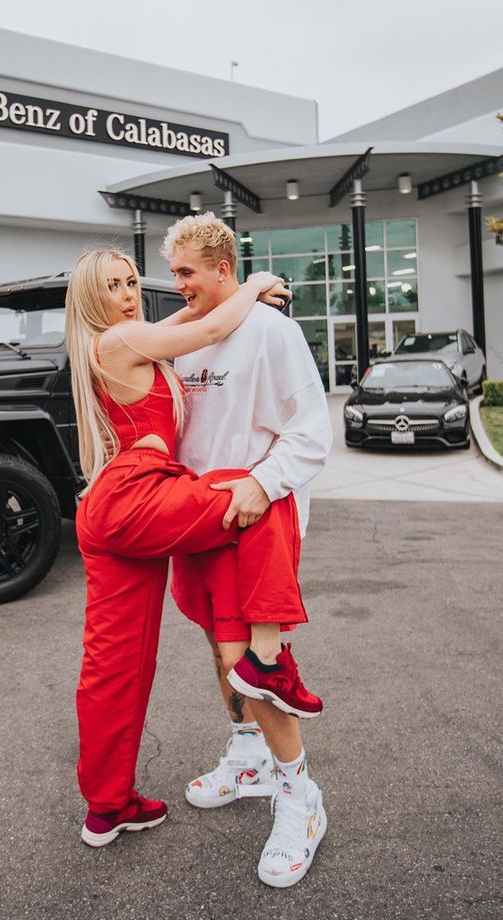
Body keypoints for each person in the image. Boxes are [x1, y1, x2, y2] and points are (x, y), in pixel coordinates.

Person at [65, 248, 321, 851]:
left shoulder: (122, 340)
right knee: (257, 488)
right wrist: (255, 283)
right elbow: (206, 327)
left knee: (115, 662)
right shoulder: (121, 338)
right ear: (90, 297)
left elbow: (186, 324)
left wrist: (229, 296)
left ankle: (108, 807)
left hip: (113, 508)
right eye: (113, 285)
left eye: (133, 281)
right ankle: (270, 659)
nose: (130, 293)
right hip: (135, 495)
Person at [162, 213, 332, 888]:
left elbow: (313, 428)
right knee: (216, 647)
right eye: (174, 273)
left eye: (186, 273)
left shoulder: (272, 330)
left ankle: (301, 798)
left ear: (222, 267)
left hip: (258, 519)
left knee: (254, 663)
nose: (177, 286)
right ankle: (248, 756)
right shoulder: (181, 340)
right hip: (197, 518)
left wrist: (263, 481)